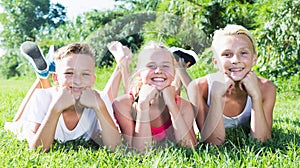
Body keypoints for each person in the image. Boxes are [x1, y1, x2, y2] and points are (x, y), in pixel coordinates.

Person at [5, 42, 132, 152]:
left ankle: (44, 74)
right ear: (56, 78)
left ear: (93, 80)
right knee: (15, 123)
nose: (77, 81)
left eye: (85, 74)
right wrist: (55, 109)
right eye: (69, 73)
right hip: (25, 126)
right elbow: (38, 148)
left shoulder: (100, 98)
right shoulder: (42, 97)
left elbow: (116, 148)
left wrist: (100, 107)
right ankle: (43, 76)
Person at [187, 24, 276, 146]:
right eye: (227, 54)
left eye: (243, 53)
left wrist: (256, 96)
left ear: (254, 59)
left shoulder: (267, 88)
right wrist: (216, 97)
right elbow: (214, 143)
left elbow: (262, 141)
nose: (235, 60)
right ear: (216, 62)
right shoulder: (199, 88)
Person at [113, 41, 197, 152]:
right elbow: (140, 152)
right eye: (151, 66)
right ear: (139, 73)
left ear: (174, 73)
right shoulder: (122, 105)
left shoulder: (184, 106)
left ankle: (181, 64)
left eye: (165, 66)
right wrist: (143, 105)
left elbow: (190, 148)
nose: (158, 71)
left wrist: (172, 105)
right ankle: (123, 62)